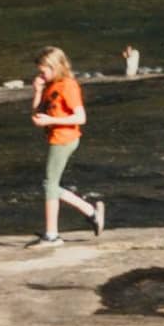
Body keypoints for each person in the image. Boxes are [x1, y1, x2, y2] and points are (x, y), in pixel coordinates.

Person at [30, 39, 104, 240]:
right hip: (55, 136)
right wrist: (37, 91)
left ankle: (52, 235)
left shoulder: (68, 86)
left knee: (49, 185)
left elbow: (81, 118)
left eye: (43, 71)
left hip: (65, 138)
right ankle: (90, 212)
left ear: (55, 67)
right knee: (50, 185)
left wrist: (51, 120)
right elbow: (38, 111)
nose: (40, 75)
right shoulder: (50, 85)